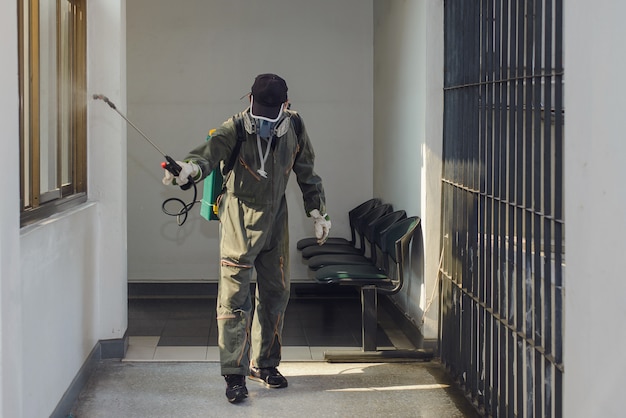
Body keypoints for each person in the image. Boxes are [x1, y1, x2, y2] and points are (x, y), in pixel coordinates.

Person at [163, 73, 331, 403]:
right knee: (234, 298)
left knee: (276, 292)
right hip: (239, 217)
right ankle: (234, 374)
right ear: (249, 100)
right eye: (259, 109)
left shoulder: (294, 127)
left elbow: (307, 171)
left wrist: (318, 211)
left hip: (276, 219)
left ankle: (264, 364)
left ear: (286, 105)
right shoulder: (235, 128)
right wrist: (187, 170)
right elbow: (206, 156)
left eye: (273, 111)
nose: (265, 119)